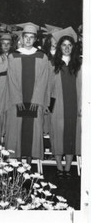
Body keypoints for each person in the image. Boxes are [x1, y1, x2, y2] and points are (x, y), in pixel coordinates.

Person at [4, 23, 49, 164]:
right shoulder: (13, 56)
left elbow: (43, 80)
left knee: (32, 133)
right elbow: (11, 79)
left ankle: (29, 165)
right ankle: (17, 165)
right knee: (17, 132)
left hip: (35, 102)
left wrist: (36, 99)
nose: (29, 40)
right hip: (17, 102)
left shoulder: (42, 57)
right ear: (22, 38)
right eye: (26, 37)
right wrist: (17, 99)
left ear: (35, 39)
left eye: (31, 37)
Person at [48, 27, 81, 178]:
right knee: (58, 135)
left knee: (71, 135)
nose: (67, 48)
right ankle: (59, 167)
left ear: (73, 47)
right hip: (57, 106)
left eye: (69, 45)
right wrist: (49, 107)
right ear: (59, 47)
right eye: (64, 45)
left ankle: (68, 168)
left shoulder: (79, 65)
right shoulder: (53, 64)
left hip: (74, 106)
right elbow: (47, 88)